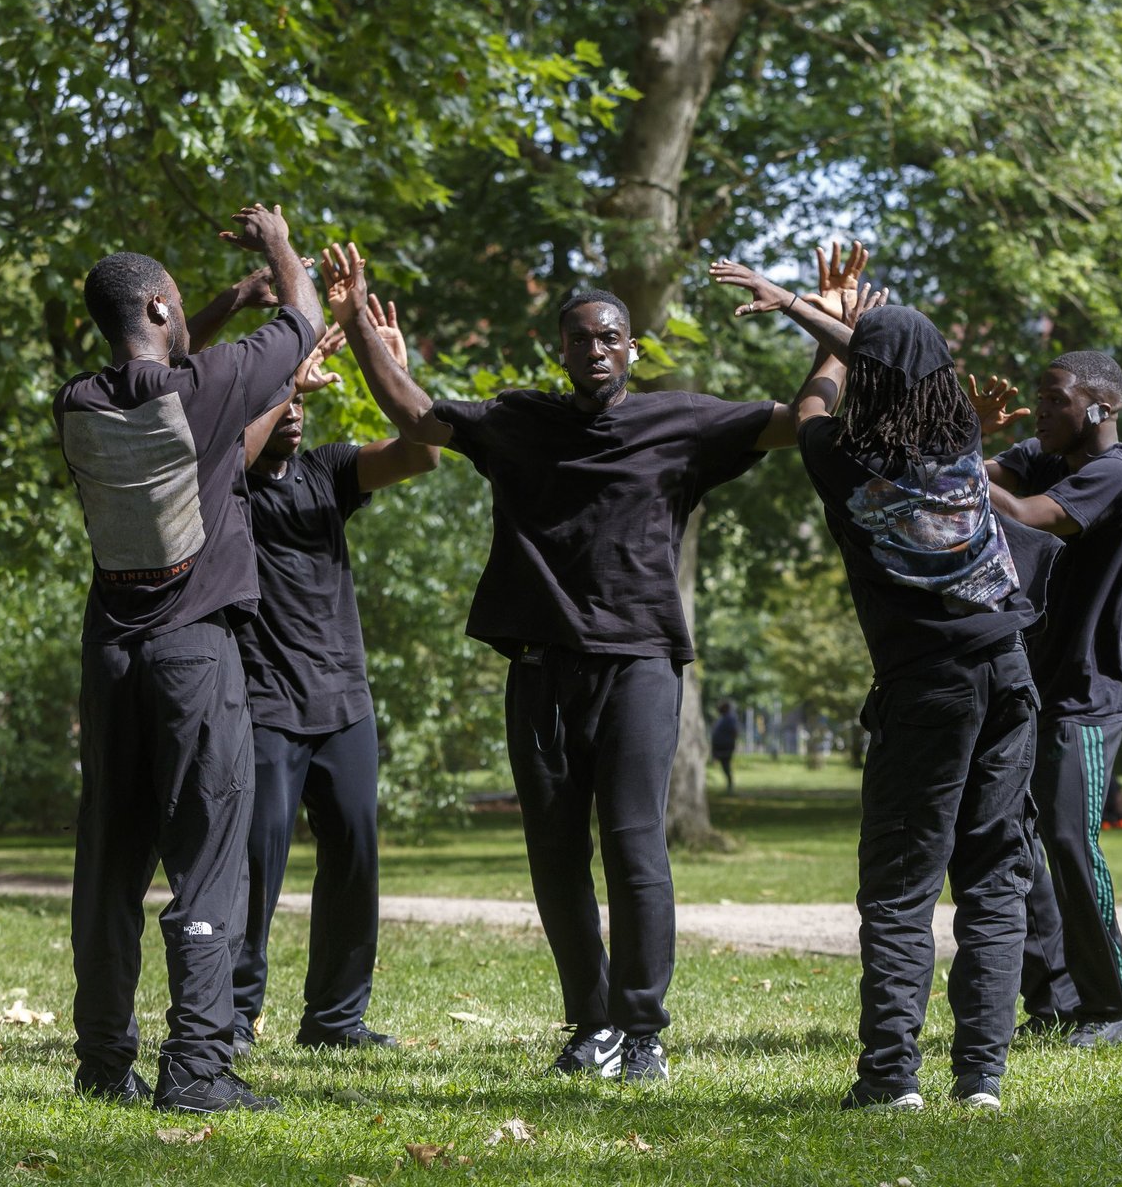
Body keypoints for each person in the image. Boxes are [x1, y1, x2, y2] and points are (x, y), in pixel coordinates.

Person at [314, 240, 838, 1084]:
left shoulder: (682, 422)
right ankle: (589, 1022)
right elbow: (416, 417)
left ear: (630, 348)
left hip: (637, 666)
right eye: (579, 339)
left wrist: (827, 333)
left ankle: (641, 1033)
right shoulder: (521, 422)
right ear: (560, 350)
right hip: (539, 669)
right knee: (555, 856)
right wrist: (356, 320)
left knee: (634, 850)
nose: (594, 349)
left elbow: (800, 423)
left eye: (608, 337)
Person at [711, 250, 1058, 1112]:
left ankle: (889, 1082)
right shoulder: (960, 439)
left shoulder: (840, 456)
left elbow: (814, 400)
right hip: (1008, 673)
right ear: (940, 378)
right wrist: (817, 309)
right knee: (992, 880)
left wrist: (807, 312)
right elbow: (899, 366)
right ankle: (980, 1083)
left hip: (926, 689)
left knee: (901, 887)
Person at [54, 204, 325, 1113]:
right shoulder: (209, 389)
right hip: (193, 652)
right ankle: (200, 1068)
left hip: (112, 658)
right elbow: (304, 324)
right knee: (209, 855)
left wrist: (210, 300)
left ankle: (102, 1063)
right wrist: (280, 253)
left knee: (110, 859)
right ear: (164, 306)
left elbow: (155, 362)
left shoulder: (79, 403)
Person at [231, 298, 439, 1057]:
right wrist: (283, 383)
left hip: (343, 704)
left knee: (354, 859)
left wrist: (396, 367)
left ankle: (334, 1019)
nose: (294, 410)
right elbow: (219, 451)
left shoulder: (327, 472)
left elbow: (421, 454)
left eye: (298, 400)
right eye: (277, 398)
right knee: (256, 866)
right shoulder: (228, 487)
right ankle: (230, 1018)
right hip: (262, 705)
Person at [972, 354, 1122, 1046]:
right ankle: (1053, 999)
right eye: (1038, 398)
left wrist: (957, 453)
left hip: (1088, 694)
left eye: (1053, 399)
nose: (1039, 409)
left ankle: (1110, 1008)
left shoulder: (1118, 476)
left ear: (1098, 408)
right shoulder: (1042, 454)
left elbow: (1023, 514)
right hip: (1032, 687)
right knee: (1009, 839)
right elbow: (969, 482)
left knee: (1068, 842)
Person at [710, 701, 741, 793]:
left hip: (725, 746)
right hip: (721, 746)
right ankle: (729, 785)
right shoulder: (723, 718)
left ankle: (730, 786)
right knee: (724, 766)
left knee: (725, 765)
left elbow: (734, 732)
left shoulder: (729, 718)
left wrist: (730, 743)